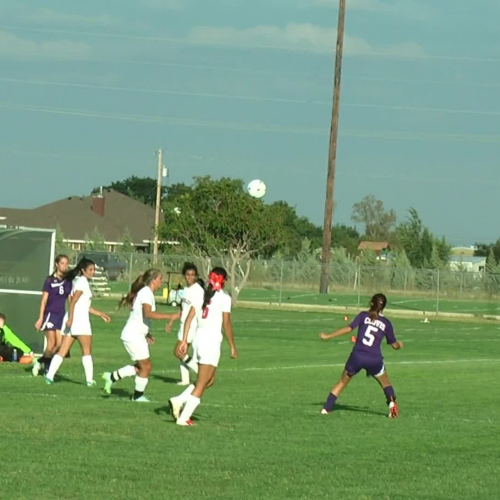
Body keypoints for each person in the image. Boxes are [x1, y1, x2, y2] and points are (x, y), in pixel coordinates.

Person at [169, 267, 238, 426]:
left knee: (210, 379)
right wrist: (232, 346)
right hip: (211, 341)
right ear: (224, 281)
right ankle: (184, 417)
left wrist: (185, 340)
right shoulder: (224, 298)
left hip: (199, 339)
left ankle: (178, 400)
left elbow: (188, 318)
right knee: (202, 383)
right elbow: (226, 324)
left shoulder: (202, 295)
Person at [319, 293, 404, 419]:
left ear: (371, 303)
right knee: (386, 384)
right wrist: (400, 345)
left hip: (357, 357)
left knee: (342, 382)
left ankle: (326, 408)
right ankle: (392, 404)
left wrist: (328, 336)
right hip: (374, 359)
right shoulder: (386, 323)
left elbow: (349, 329)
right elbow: (394, 345)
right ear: (383, 307)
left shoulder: (363, 316)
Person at [102, 268, 178, 402]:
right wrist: (168, 315)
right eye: (160, 278)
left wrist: (147, 333)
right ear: (154, 280)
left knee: (142, 367)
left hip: (137, 334)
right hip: (133, 335)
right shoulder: (146, 293)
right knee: (146, 366)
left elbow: (140, 316)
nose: (162, 281)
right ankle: (137, 396)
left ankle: (112, 377)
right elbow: (147, 314)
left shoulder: (146, 293)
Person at [45, 258, 111, 386]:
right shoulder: (82, 282)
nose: (92, 272)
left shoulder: (77, 281)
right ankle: (89, 380)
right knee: (86, 351)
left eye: (94, 270)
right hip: (79, 321)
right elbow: (73, 301)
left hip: (74, 319)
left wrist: (100, 314)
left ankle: (49, 376)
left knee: (62, 351)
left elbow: (84, 305)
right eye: (90, 270)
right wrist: (71, 318)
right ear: (83, 270)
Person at [165, 262, 205, 386]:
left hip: (191, 325)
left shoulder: (198, 291)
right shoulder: (186, 290)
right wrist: (171, 321)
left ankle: (201, 372)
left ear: (196, 276)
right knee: (182, 353)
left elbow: (191, 314)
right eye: (187, 275)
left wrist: (184, 336)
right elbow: (183, 310)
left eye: (192, 275)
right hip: (184, 324)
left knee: (178, 352)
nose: (190, 277)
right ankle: (185, 379)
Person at [32, 254, 72, 376]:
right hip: (50, 314)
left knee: (59, 345)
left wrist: (71, 315)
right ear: (56, 264)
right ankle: (48, 369)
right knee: (51, 343)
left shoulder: (68, 282)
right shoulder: (49, 280)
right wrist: (40, 318)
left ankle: (39, 361)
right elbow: (44, 300)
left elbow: (71, 300)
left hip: (61, 315)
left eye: (66, 263)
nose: (65, 266)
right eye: (62, 263)